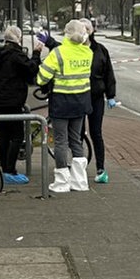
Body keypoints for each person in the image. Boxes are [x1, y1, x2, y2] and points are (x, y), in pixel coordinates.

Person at [37, 19, 96, 193]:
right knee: (76, 140)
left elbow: (42, 78)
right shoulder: (87, 53)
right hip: (81, 103)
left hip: (62, 104)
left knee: (61, 142)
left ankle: (62, 182)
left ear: (66, 33)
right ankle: (80, 181)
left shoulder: (58, 53)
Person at [0, 26, 41, 185]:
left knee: (5, 134)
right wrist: (37, 54)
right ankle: (9, 170)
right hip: (12, 99)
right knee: (17, 135)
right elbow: (31, 69)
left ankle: (4, 167)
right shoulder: (17, 55)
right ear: (18, 38)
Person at [87, 29, 120, 183]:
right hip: (78, 96)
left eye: (87, 29)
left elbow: (108, 73)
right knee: (76, 134)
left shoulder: (101, 50)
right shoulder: (74, 49)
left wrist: (110, 95)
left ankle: (100, 168)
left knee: (96, 133)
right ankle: (77, 167)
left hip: (96, 97)